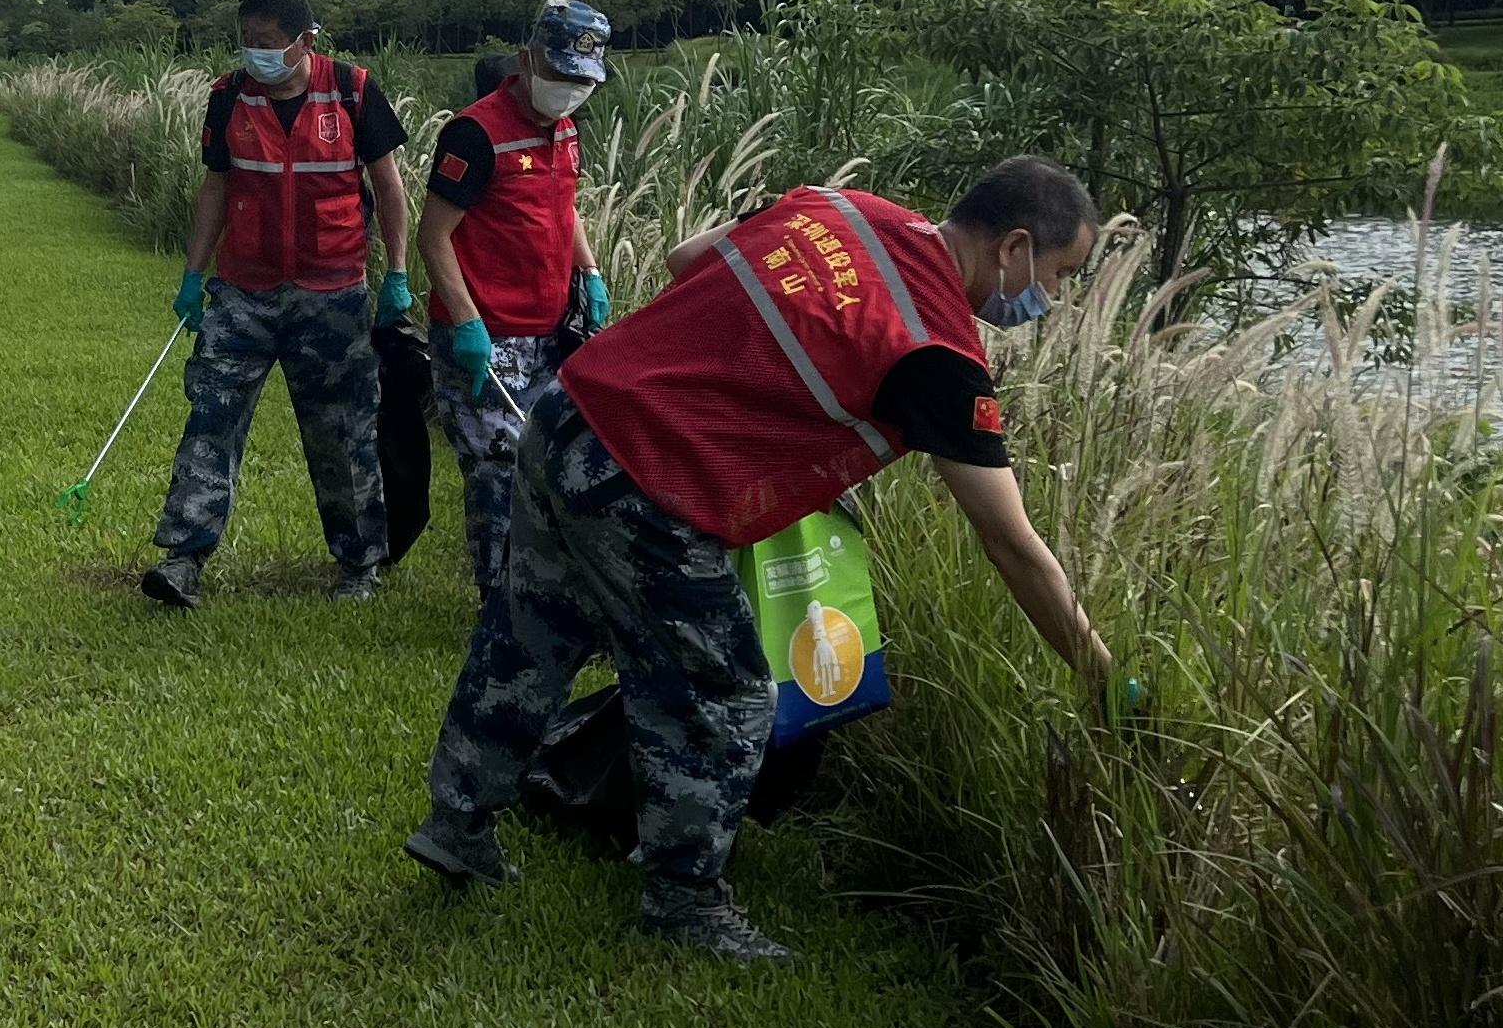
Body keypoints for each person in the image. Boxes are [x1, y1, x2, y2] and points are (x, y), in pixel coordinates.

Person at [405, 157, 1117, 962]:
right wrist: (1099, 674)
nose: (1048, 301)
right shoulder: (936, 355)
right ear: (1013, 248)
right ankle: (684, 907)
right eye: (1056, 276)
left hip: (568, 412)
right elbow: (1010, 544)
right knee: (724, 696)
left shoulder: (841, 209)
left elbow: (686, 262)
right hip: (643, 478)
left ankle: (456, 823)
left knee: (530, 634)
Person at [145, 0, 412, 607]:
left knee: (342, 434)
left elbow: (391, 189)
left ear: (305, 41)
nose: (255, 55)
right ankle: (184, 558)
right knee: (211, 419)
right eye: (247, 42)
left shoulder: (353, 90)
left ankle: (359, 564)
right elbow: (215, 186)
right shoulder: (228, 96)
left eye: (268, 44)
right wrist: (193, 272)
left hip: (333, 295)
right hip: (244, 293)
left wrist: (396, 273)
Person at [418, 0, 613, 596]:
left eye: (581, 82)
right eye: (558, 77)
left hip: (550, 329)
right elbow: (434, 236)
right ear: (527, 61)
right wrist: (467, 324)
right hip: (484, 334)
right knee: (498, 471)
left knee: (555, 460)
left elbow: (563, 206)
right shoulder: (476, 134)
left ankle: (554, 589)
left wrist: (591, 271)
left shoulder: (566, 129)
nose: (569, 91)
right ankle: (501, 601)